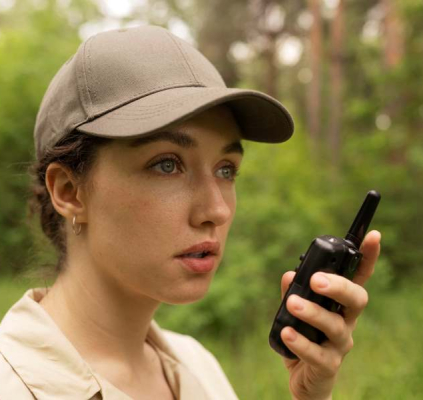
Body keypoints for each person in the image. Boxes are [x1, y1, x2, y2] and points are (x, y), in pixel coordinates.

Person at [0, 25, 381, 400]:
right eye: (167, 165)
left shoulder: (199, 366)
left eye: (226, 169)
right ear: (69, 192)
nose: (216, 209)